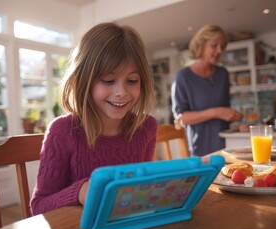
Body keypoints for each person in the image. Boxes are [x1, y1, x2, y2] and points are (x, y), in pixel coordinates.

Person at [30, 22, 157, 215]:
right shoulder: (63, 131)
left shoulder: (147, 127)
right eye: (108, 80)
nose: (121, 92)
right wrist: (80, 192)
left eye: (132, 81)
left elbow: (142, 188)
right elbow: (39, 206)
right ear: (83, 81)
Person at [172, 24, 243, 157]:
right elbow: (182, 118)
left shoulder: (223, 74)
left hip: (228, 147)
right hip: (200, 151)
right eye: (214, 45)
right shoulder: (183, 77)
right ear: (201, 45)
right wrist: (216, 112)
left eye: (222, 46)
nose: (219, 50)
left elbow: (225, 112)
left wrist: (235, 120)